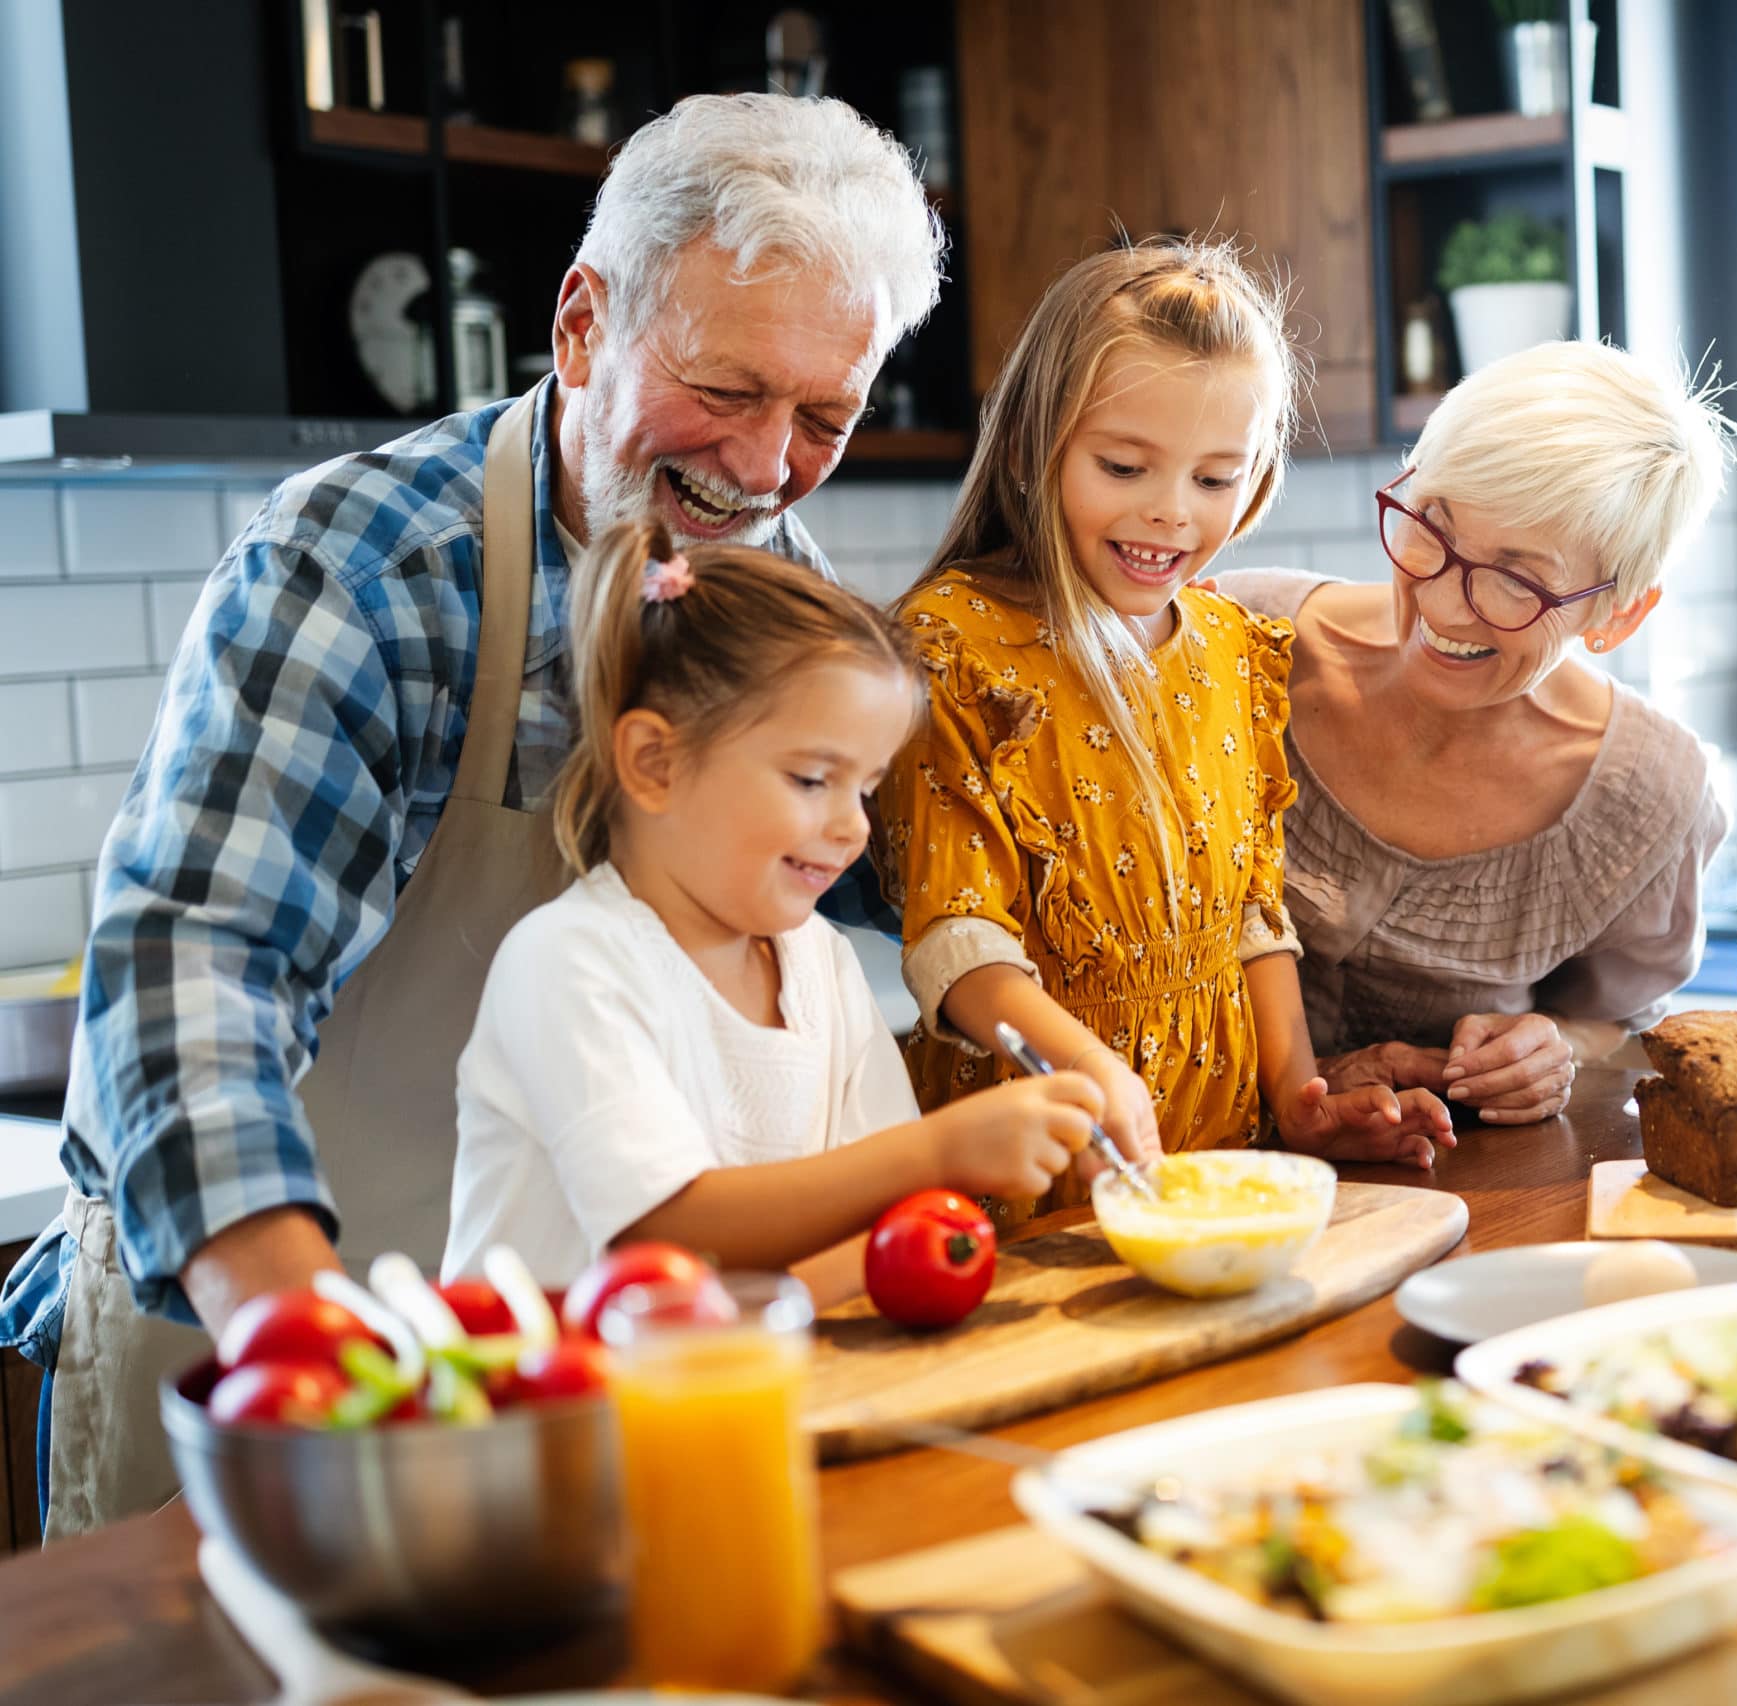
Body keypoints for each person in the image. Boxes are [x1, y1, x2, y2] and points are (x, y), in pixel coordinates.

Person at [0, 92, 944, 1535]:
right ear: (581, 326)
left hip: (568, 1368)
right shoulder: (369, 567)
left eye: (825, 415)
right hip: (270, 1328)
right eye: (730, 389)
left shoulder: (774, 588)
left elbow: (914, 872)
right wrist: (303, 1358)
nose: (763, 469)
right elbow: (196, 964)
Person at [874, 239, 1454, 1224]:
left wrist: (1297, 1100)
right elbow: (956, 939)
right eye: (1123, 464)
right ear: (1030, 442)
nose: (1169, 513)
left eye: (1216, 477)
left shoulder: (1236, 646)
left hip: (1222, 1158)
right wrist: (1093, 1071)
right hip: (1036, 1173)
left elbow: (1248, 913)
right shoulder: (951, 639)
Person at [444, 522, 1105, 1285]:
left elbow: (873, 1227)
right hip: (559, 1400)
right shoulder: (568, 962)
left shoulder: (818, 960)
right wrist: (942, 1149)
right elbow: (666, 1239)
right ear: (653, 763)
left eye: (864, 787)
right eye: (810, 780)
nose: (854, 825)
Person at [1215, 341, 1734, 1124]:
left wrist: (1550, 1047)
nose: (1448, 607)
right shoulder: (1230, 644)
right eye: (1433, 525)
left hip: (1465, 1212)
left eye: (1517, 578)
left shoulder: (1649, 797)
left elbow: (1616, 1021)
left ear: (1617, 613)